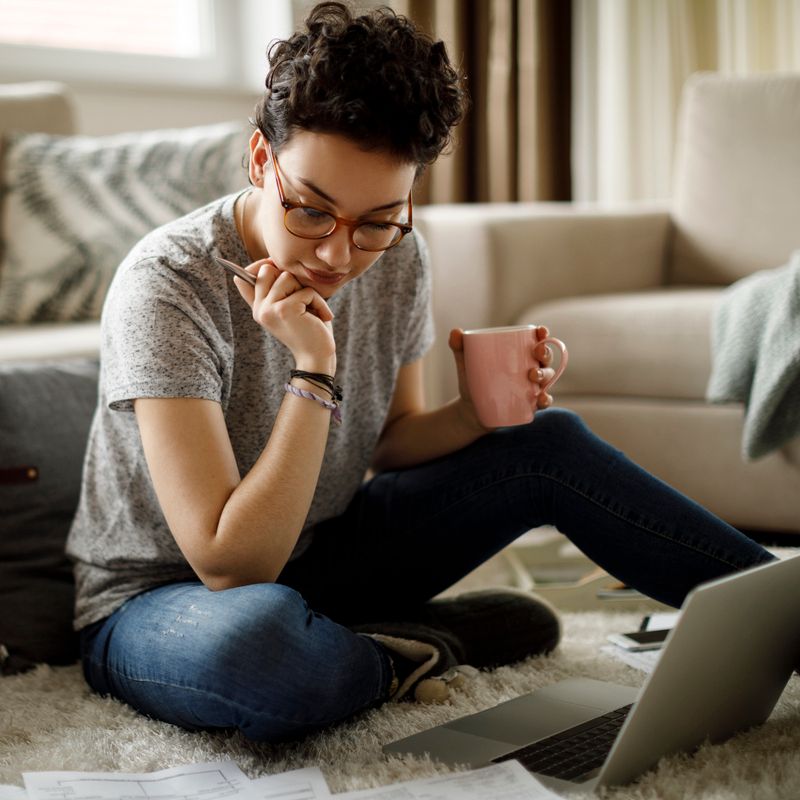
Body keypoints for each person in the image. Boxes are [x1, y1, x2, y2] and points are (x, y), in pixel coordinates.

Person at [67, 1, 775, 742]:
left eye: (377, 220)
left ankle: (782, 618)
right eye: (311, 211)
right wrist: (313, 370)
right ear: (259, 161)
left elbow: (392, 441)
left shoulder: (400, 253)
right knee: (261, 652)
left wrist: (474, 413)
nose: (339, 255)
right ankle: (423, 646)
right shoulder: (169, 283)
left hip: (322, 553)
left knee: (548, 444)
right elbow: (229, 562)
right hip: (162, 599)